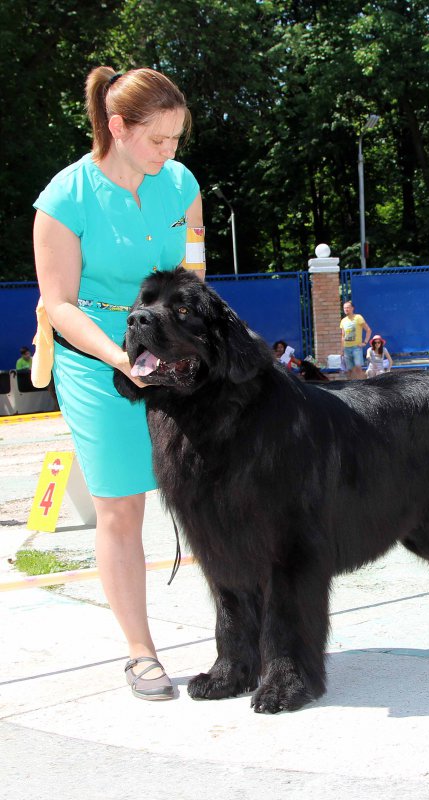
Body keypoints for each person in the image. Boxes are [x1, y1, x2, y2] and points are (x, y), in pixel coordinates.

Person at [33, 66, 203, 701]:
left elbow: (193, 273)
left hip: (172, 352)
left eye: (177, 138)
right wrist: (119, 359)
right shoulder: (64, 199)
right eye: (158, 139)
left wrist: (192, 347)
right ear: (117, 127)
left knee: (212, 490)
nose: (169, 152)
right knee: (121, 505)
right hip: (95, 355)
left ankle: (243, 631)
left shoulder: (181, 184)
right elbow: (59, 304)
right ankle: (140, 652)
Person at [339, 300, 372, 379]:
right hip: (346, 348)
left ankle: (364, 383)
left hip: (356, 347)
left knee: (358, 367)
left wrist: (365, 342)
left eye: (348, 307)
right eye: (344, 308)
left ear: (352, 308)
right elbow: (343, 336)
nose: (346, 309)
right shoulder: (343, 321)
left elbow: (368, 330)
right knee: (349, 370)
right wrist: (342, 349)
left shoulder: (358, 317)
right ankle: (351, 385)